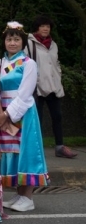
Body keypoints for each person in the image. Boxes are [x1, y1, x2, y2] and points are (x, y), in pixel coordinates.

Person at [0, 22, 49, 212]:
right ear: (4, 42)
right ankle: (19, 194)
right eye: (9, 39)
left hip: (23, 112)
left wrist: (7, 114)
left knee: (25, 151)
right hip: (3, 112)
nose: (12, 43)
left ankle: (28, 197)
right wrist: (0, 113)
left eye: (16, 39)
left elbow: (26, 92)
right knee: (11, 151)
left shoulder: (28, 63)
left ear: (23, 42)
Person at [26, 15, 76, 158]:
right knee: (38, 119)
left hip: (53, 86)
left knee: (57, 116)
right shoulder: (29, 43)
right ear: (37, 28)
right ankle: (36, 149)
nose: (45, 29)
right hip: (37, 87)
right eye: (42, 26)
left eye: (47, 26)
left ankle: (60, 146)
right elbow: (24, 63)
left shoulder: (53, 44)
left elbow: (56, 63)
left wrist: (58, 75)